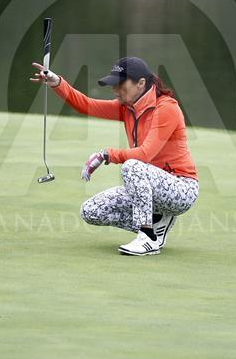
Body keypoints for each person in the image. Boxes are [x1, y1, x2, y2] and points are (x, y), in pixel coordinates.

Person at [30, 57, 199, 256]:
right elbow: (86, 105)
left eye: (120, 85)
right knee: (91, 211)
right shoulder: (127, 106)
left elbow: (145, 154)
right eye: (114, 85)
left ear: (141, 84)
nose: (115, 90)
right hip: (148, 186)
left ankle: (148, 238)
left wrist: (106, 154)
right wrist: (57, 83)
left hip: (181, 189)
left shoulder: (166, 108)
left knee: (132, 166)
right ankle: (156, 224)